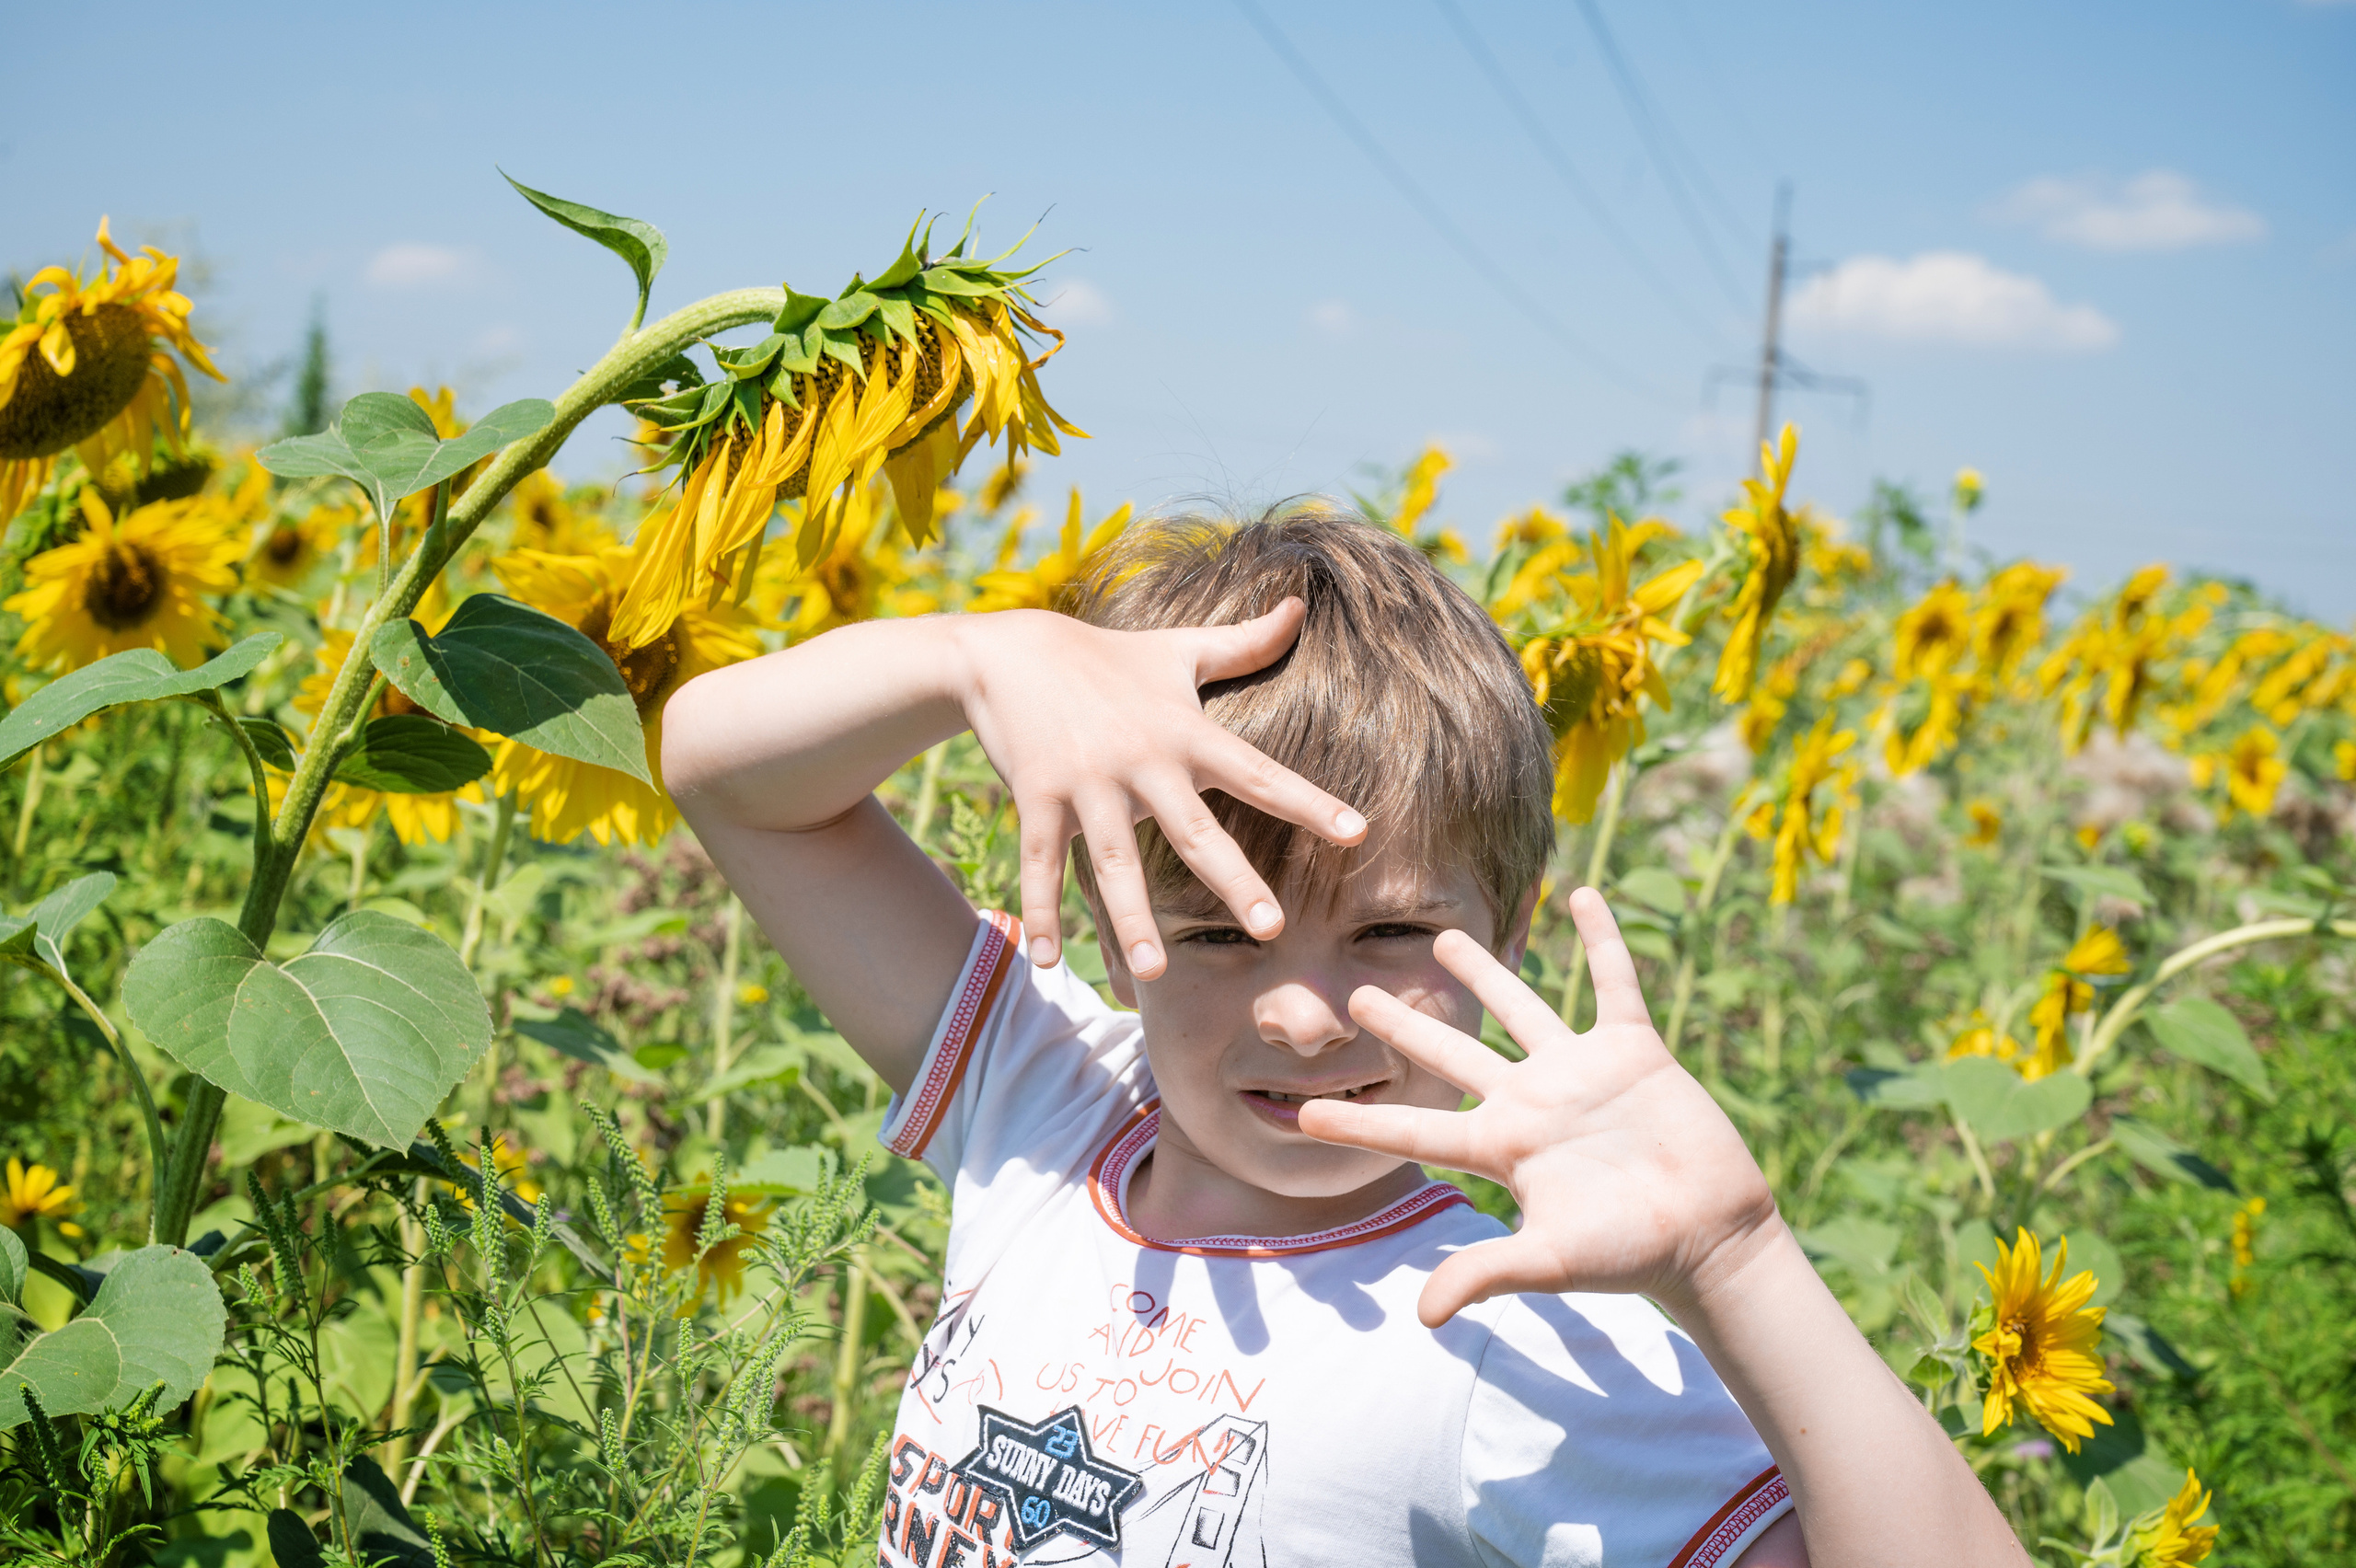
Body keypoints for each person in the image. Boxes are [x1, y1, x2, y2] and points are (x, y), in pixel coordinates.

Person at [664, 506, 2024, 1566]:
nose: (1303, 1017)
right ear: (1110, 911)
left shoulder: (1510, 1339)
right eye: (1215, 934)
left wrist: (1737, 1261)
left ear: (1512, 925)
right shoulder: (1049, 1100)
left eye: (1388, 932)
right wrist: (981, 654)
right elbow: (726, 778)